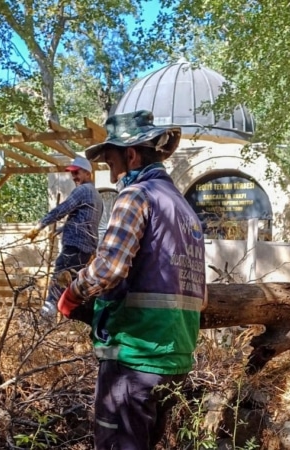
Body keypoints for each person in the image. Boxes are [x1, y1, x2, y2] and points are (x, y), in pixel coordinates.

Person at [57, 110, 206, 450]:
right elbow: (201, 295)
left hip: (136, 355)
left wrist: (73, 294)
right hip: (176, 359)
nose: (111, 174)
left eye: (110, 164)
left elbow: (109, 268)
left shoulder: (137, 195)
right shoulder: (184, 209)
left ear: (132, 154)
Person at [25, 155, 103, 321]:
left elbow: (62, 209)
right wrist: (61, 229)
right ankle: (78, 321)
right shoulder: (97, 196)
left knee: (57, 283)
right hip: (85, 251)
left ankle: (45, 322)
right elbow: (84, 222)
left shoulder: (82, 190)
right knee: (75, 289)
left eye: (77, 173)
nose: (74, 177)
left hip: (73, 248)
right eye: (72, 174)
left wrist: (39, 226)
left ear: (88, 174)